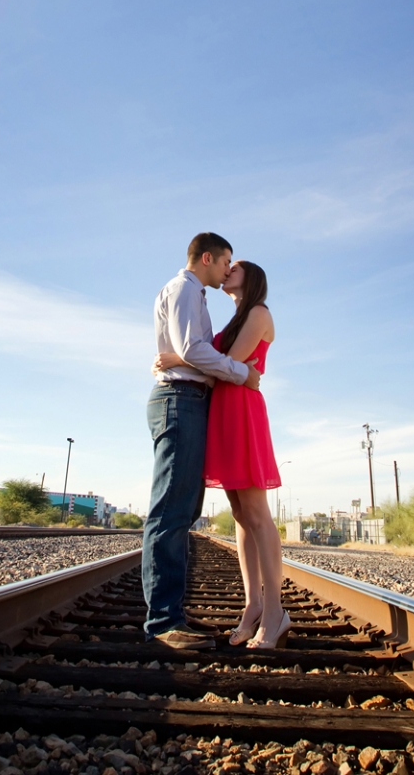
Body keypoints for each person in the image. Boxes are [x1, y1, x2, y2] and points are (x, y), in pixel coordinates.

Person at [154, 260, 289, 650]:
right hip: (224, 409)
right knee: (242, 515)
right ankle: (253, 608)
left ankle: (276, 613)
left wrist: (178, 357)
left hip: (243, 410)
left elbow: (230, 359)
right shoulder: (236, 316)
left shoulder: (259, 313)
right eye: (227, 265)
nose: (229, 270)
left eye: (237, 267)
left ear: (254, 277)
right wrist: (188, 354)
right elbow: (221, 359)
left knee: (258, 514)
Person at [142, 232, 262, 648]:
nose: (229, 270)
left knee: (183, 508)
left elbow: (189, 351)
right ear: (207, 258)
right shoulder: (184, 289)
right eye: (225, 262)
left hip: (189, 399)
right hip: (179, 399)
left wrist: (199, 362)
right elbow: (193, 348)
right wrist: (241, 373)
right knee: (171, 511)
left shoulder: (197, 295)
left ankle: (171, 613)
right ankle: (163, 623)